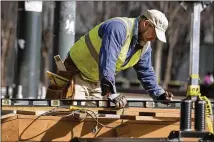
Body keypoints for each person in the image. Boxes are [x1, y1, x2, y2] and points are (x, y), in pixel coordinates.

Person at [62, 9, 174, 108]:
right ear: (146, 24)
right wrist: (110, 92)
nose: (153, 38)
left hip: (97, 82)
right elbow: (108, 60)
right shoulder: (118, 28)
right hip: (77, 75)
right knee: (72, 119)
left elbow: (146, 72)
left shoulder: (145, 46)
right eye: (154, 33)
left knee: (93, 123)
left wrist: (159, 94)